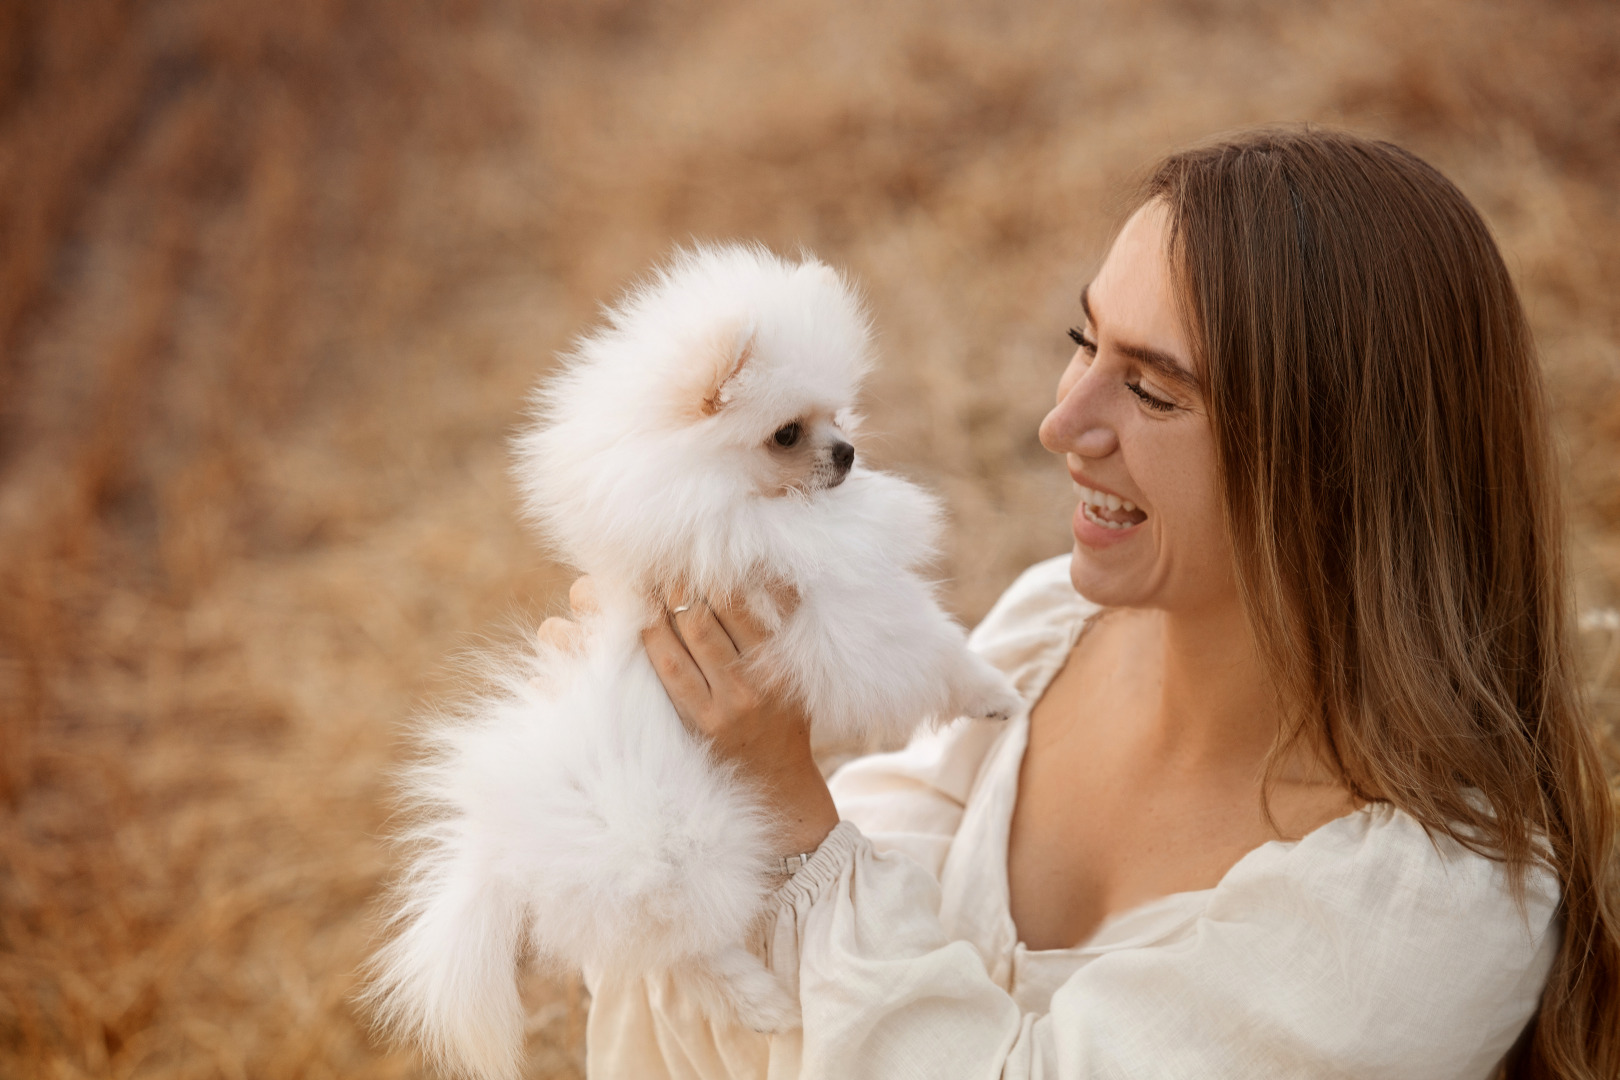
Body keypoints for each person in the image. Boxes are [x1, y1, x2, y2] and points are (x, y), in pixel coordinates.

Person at [543, 128, 1620, 1079]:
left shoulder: (1424, 908)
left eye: (1151, 389)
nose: (1064, 423)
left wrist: (782, 809)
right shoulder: (1056, 628)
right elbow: (801, 959)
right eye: (1083, 344)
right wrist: (664, 771)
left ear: (1338, 466)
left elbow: (839, 924)